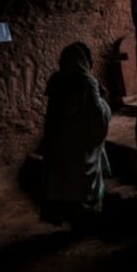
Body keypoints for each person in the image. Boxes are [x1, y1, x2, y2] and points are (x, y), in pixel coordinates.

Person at [39, 41, 112, 231]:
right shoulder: (87, 82)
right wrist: (104, 101)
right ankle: (86, 220)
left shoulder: (56, 80)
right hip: (80, 145)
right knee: (84, 181)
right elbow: (99, 117)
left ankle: (69, 213)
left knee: (65, 181)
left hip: (59, 144)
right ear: (83, 61)